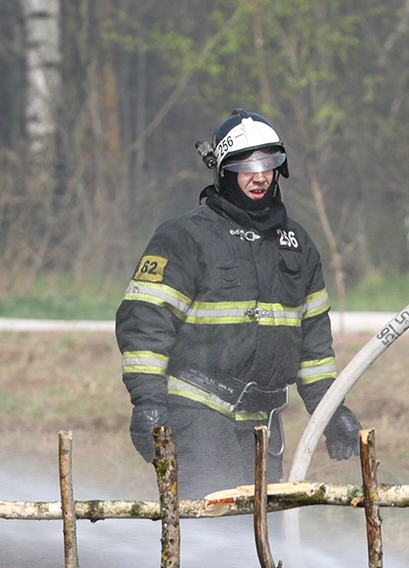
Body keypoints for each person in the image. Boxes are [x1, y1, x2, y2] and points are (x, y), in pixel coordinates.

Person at [116, 108, 362, 500]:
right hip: (197, 412)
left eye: (268, 162)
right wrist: (148, 403)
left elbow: (314, 349)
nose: (260, 175)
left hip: (263, 422)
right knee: (215, 524)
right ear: (223, 170)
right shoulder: (184, 237)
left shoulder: (298, 246)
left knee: (262, 532)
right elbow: (145, 324)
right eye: (246, 165)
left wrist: (332, 412)